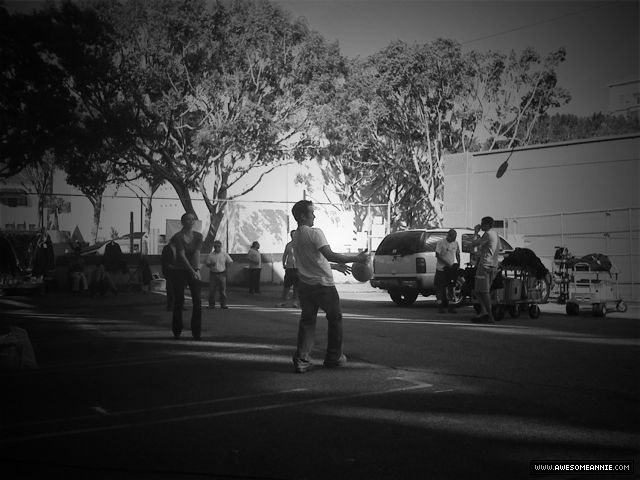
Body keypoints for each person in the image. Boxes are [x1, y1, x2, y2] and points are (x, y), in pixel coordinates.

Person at [290, 200, 369, 374]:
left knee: (307, 321)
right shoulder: (315, 233)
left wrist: (333, 266)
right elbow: (329, 254)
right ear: (303, 215)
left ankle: (302, 360)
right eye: (312, 212)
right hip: (323, 286)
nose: (314, 216)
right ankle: (333, 357)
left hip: (305, 285)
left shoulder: (295, 235)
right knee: (335, 318)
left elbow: (312, 259)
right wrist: (357, 258)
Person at [169, 213, 203, 340]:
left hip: (193, 268)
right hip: (179, 270)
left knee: (197, 301)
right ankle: (177, 330)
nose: (191, 221)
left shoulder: (199, 236)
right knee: (179, 300)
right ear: (183, 222)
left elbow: (197, 253)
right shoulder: (177, 237)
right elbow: (181, 256)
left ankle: (196, 332)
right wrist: (192, 270)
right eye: (188, 219)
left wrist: (197, 269)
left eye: (193, 219)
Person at [468, 216, 500, 324]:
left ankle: (489, 315)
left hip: (485, 266)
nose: (481, 226)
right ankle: (484, 311)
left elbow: (474, 243)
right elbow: (486, 248)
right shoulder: (495, 234)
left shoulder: (488, 234)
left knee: (483, 292)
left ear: (487, 225)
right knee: (479, 291)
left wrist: (475, 232)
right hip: (493, 266)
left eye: (482, 224)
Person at [435, 229, 461, 314]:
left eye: (455, 236)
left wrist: (458, 263)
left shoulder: (455, 243)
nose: (454, 238)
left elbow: (457, 253)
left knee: (451, 287)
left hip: (451, 269)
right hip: (441, 269)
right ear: (449, 235)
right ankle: (440, 306)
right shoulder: (441, 242)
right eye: (453, 236)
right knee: (440, 287)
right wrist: (447, 264)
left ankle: (450, 306)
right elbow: (437, 255)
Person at [205, 240, 233, 309]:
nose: (217, 247)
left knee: (222, 290)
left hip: (222, 274)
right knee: (212, 290)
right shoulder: (210, 255)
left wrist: (226, 269)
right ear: (214, 247)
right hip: (213, 274)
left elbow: (230, 261)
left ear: (221, 246)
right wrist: (211, 264)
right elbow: (207, 264)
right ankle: (211, 305)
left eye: (219, 246)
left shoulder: (224, 254)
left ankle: (223, 304)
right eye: (216, 246)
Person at [279, 230, 299, 307]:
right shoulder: (288, 245)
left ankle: (295, 302)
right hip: (289, 267)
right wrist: (283, 264)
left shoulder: (300, 245)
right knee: (287, 285)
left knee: (296, 286)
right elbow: (285, 255)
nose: (294, 236)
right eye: (292, 235)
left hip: (298, 268)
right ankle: (283, 300)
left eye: (295, 235)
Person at [161, 242, 176, 311]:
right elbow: (164, 260)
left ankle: (178, 305)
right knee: (170, 289)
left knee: (178, 289)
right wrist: (170, 266)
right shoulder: (167, 248)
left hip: (178, 270)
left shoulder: (179, 248)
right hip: (170, 271)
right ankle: (170, 305)